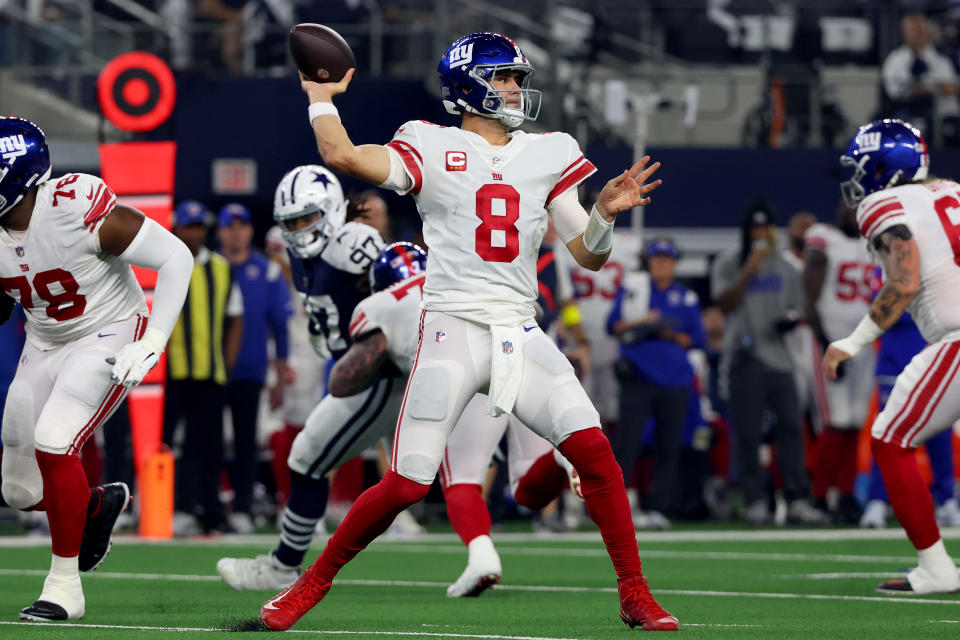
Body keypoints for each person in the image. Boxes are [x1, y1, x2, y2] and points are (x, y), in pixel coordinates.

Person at [260, 32, 677, 632]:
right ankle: (311, 583)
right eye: (503, 77)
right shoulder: (429, 143)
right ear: (466, 86)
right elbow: (346, 157)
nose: (514, 88)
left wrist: (605, 215)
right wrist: (319, 97)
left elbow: (586, 255)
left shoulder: (550, 149)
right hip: (451, 326)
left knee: (596, 457)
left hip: (520, 328)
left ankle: (635, 594)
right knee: (406, 484)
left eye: (516, 79)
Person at [0, 116, 193, 620]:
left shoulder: (72, 207)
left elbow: (176, 257)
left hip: (108, 328)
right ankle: (92, 506)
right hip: (45, 341)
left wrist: (152, 341)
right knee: (19, 491)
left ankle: (64, 587)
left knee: (56, 437)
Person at [216, 165, 385, 589]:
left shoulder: (352, 240)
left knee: (406, 480)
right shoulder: (300, 254)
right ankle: (284, 565)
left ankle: (298, 569)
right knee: (305, 457)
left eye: (307, 218)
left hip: (390, 369)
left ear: (328, 211)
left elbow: (398, 295)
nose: (299, 229)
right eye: (291, 222)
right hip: (362, 370)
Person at [824, 118, 960, 594]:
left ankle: (936, 569)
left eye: (863, 168)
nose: (858, 180)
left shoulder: (886, 202)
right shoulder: (953, 191)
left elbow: (903, 281)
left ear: (885, 166)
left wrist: (851, 342)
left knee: (890, 438)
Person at [711, 200, 825, 526]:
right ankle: (755, 499)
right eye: (755, 229)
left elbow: (796, 308)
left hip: (780, 357)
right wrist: (749, 270)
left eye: (765, 229)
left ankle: (797, 498)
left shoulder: (786, 268)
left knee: (791, 427)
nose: (760, 235)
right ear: (746, 232)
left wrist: (790, 320)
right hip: (744, 358)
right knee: (748, 433)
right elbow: (724, 304)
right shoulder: (729, 262)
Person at [607, 237, 705, 529]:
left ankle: (661, 507)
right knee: (628, 443)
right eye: (656, 259)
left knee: (668, 445)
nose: (661, 264)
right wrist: (644, 324)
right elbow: (613, 326)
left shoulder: (685, 297)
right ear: (648, 262)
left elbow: (697, 339)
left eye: (666, 259)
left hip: (674, 380)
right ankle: (615, 507)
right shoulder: (634, 290)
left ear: (674, 264)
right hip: (638, 376)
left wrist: (668, 334)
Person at [163, 200, 244, 535]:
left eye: (198, 227)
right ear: (176, 228)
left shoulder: (222, 268)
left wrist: (226, 362)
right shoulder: (164, 264)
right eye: (187, 226)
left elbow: (236, 319)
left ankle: (212, 512)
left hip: (210, 373)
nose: (193, 233)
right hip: (171, 373)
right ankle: (170, 508)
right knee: (166, 444)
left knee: (210, 446)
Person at [217, 202, 293, 533]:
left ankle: (244, 507)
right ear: (220, 232)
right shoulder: (208, 268)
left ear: (250, 230)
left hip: (250, 370)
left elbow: (280, 326)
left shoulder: (268, 272)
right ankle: (212, 502)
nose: (236, 232)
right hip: (209, 371)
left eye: (241, 225)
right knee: (209, 440)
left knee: (247, 441)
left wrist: (280, 373)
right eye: (229, 226)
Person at [803, 203, 876, 523]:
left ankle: (846, 496)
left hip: (865, 340)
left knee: (855, 421)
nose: (852, 212)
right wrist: (825, 342)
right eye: (847, 205)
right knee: (834, 421)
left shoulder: (871, 242)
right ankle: (820, 496)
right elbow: (810, 297)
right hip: (832, 339)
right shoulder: (824, 238)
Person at [860, 312, 960, 528]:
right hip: (896, 358)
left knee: (940, 432)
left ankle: (946, 500)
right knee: (888, 432)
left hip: (937, 357)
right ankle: (878, 499)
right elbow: (879, 314)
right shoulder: (891, 276)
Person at [881, 13, 959, 138]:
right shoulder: (895, 59)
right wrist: (932, 89)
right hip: (910, 116)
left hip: (946, 117)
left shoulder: (942, 58)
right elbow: (895, 92)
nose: (918, 34)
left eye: (921, 29)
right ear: (904, 33)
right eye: (913, 30)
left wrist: (929, 88)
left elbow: (952, 87)